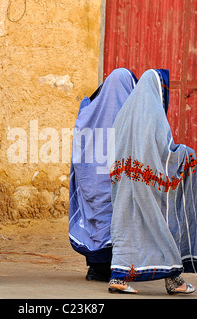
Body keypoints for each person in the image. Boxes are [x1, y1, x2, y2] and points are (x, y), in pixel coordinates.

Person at [107, 69, 197, 294]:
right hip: (147, 186)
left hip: (123, 186)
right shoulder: (153, 117)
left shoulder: (122, 116)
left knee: (126, 228)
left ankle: (118, 277)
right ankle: (173, 280)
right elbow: (164, 155)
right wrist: (186, 154)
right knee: (164, 225)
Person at [68, 68, 137, 282]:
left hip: (93, 182)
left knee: (96, 220)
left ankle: (96, 268)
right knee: (117, 221)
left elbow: (80, 137)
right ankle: (116, 267)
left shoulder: (90, 110)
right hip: (117, 182)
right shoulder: (132, 113)